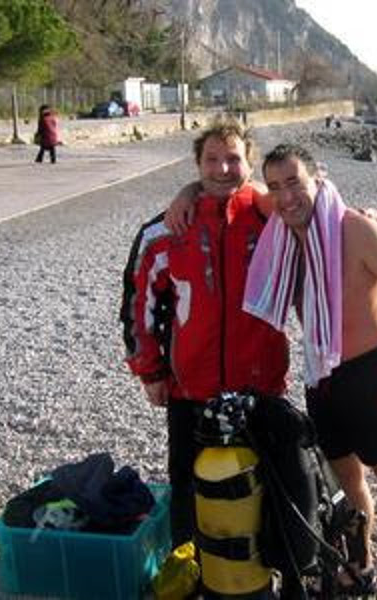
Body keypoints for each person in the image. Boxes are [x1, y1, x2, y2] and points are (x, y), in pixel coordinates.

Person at [245, 144, 377, 600]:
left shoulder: (356, 229)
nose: (286, 196)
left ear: (318, 179)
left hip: (372, 374)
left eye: (295, 182)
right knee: (346, 480)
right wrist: (186, 195)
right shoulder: (284, 238)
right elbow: (230, 189)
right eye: (275, 187)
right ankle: (360, 564)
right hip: (323, 376)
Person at [120, 119, 289, 547]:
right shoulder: (166, 231)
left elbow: (322, 217)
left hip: (260, 386)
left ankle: (262, 566)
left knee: (265, 481)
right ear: (197, 165)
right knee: (189, 486)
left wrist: (370, 220)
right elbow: (137, 305)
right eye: (211, 159)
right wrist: (150, 372)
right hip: (190, 390)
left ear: (249, 163)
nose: (222, 168)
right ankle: (188, 565)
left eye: (233, 158)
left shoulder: (273, 222)